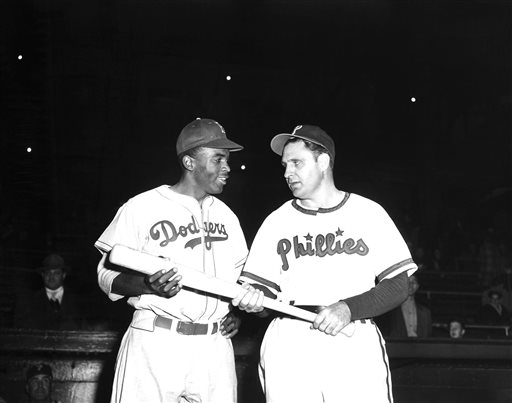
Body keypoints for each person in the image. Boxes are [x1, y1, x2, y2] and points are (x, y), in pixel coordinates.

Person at [232, 125, 418, 403]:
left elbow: (400, 284)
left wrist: (348, 308)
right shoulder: (276, 221)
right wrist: (255, 304)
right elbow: (264, 297)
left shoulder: (368, 212)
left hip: (352, 335)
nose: (287, 173)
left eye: (296, 162)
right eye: (284, 165)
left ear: (324, 161)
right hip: (290, 338)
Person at [95, 118, 248, 403]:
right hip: (157, 338)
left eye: (226, 160)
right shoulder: (142, 206)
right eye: (218, 159)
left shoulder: (228, 217)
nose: (227, 168)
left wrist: (233, 312)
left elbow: (239, 282)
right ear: (189, 162)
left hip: (214, 346)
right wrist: (146, 285)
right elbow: (105, 274)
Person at [14, 253, 83, 330]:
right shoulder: (29, 301)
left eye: (56, 273)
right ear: (42, 275)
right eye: (48, 273)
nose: (51, 277)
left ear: (64, 275)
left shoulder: (78, 301)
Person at [378, 273, 432, 338]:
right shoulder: (390, 310)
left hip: (420, 347)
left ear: (417, 286)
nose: (410, 285)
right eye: (407, 281)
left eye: (413, 282)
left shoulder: (425, 313)